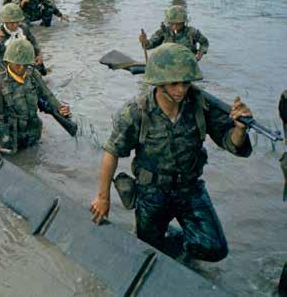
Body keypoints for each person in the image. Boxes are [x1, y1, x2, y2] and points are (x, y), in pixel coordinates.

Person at [90, 43, 253, 263]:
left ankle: (179, 245)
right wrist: (103, 197)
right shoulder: (136, 112)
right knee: (148, 251)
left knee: (214, 248)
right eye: (174, 83)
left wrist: (240, 129)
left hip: (189, 189)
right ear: (158, 82)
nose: (181, 89)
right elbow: (112, 152)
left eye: (186, 82)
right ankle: (168, 243)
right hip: (151, 192)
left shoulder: (200, 105)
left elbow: (231, 142)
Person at [0, 39, 70, 157]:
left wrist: (60, 108)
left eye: (24, 64)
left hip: (32, 134)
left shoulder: (33, 75)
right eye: (17, 64)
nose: (21, 68)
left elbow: (48, 95)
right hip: (10, 139)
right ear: (8, 61)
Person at [0, 3, 46, 75]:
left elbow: (34, 43)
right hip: (8, 70)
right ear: (5, 22)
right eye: (12, 23)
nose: (15, 25)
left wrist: (39, 55)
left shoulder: (23, 28)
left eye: (17, 22)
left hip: (25, 65)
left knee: (42, 74)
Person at [139, 5, 209, 61]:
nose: (175, 26)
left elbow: (204, 42)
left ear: (184, 22)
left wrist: (199, 56)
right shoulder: (164, 31)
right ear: (168, 22)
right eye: (172, 23)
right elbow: (150, 45)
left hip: (186, 63)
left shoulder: (191, 32)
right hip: (168, 63)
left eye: (178, 24)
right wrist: (145, 41)